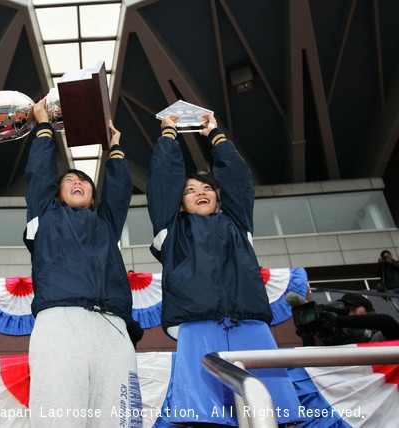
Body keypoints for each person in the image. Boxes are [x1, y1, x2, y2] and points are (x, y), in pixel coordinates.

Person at [146, 113, 301, 426]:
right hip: (196, 325)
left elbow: (238, 179)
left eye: (207, 188)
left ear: (217, 197)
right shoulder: (170, 230)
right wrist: (168, 134)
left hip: (250, 324)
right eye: (190, 190)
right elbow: (163, 179)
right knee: (208, 419)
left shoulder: (238, 224)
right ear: (178, 204)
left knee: (270, 414)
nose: (202, 192)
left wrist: (215, 135)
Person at [24, 98, 143, 427]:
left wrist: (114, 146)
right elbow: (39, 176)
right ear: (57, 193)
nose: (78, 183)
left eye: (85, 182)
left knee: (119, 418)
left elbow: (119, 190)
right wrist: (44, 127)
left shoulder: (106, 224)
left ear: (93, 194)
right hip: (60, 322)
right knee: (58, 415)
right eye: (70, 181)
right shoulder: (44, 216)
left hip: (112, 326)